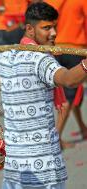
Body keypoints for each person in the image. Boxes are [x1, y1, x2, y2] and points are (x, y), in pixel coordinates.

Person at [0, 2, 87, 188]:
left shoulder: (6, 56)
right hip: (44, 169)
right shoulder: (42, 60)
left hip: (15, 170)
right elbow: (68, 79)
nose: (53, 33)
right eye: (46, 28)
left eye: (54, 27)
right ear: (29, 29)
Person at [44, 0, 87, 149]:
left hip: (56, 49)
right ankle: (55, 138)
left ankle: (83, 128)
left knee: (69, 92)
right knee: (69, 95)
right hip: (76, 50)